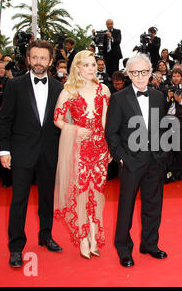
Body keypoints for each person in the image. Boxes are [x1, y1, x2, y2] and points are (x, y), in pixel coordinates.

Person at [0, 40, 64, 268]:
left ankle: (46, 236)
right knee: (19, 201)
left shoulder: (58, 88)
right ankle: (16, 247)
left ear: (51, 61)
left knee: (47, 199)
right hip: (22, 152)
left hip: (49, 153)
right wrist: (4, 150)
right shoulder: (14, 85)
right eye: (34, 57)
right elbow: (5, 120)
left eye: (43, 58)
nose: (38, 62)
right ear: (28, 59)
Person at [105, 53, 168, 268]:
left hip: (155, 161)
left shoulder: (159, 97)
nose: (140, 76)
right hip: (131, 162)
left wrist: (163, 153)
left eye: (144, 72)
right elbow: (111, 133)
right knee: (126, 207)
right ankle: (124, 249)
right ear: (128, 74)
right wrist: (121, 158)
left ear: (151, 73)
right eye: (135, 72)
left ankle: (150, 244)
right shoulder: (118, 98)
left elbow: (162, 128)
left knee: (153, 206)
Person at [53, 50, 111, 259]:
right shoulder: (68, 91)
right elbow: (58, 120)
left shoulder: (103, 90)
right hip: (78, 149)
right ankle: (83, 237)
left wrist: (109, 146)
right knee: (81, 194)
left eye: (93, 64)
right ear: (77, 68)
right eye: (86, 65)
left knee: (97, 193)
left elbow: (106, 121)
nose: (91, 68)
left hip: (99, 149)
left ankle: (95, 236)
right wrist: (75, 129)